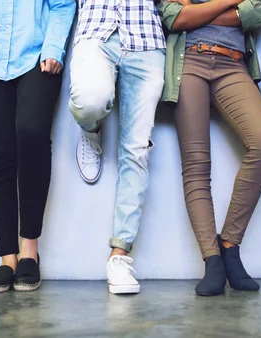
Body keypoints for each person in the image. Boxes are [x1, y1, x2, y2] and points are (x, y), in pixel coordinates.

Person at [0, 0, 76, 293]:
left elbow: (63, 5)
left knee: (32, 133)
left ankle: (29, 251)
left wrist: (53, 48)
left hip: (38, 55)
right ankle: (7, 259)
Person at [158, 0, 261, 296]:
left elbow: (257, 12)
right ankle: (212, 259)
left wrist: (198, 9)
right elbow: (174, 17)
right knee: (196, 165)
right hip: (187, 61)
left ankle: (230, 245)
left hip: (233, 63)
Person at [69, 0, 166, 294]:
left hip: (147, 38)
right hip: (95, 32)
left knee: (137, 149)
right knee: (90, 101)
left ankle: (120, 254)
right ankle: (91, 128)